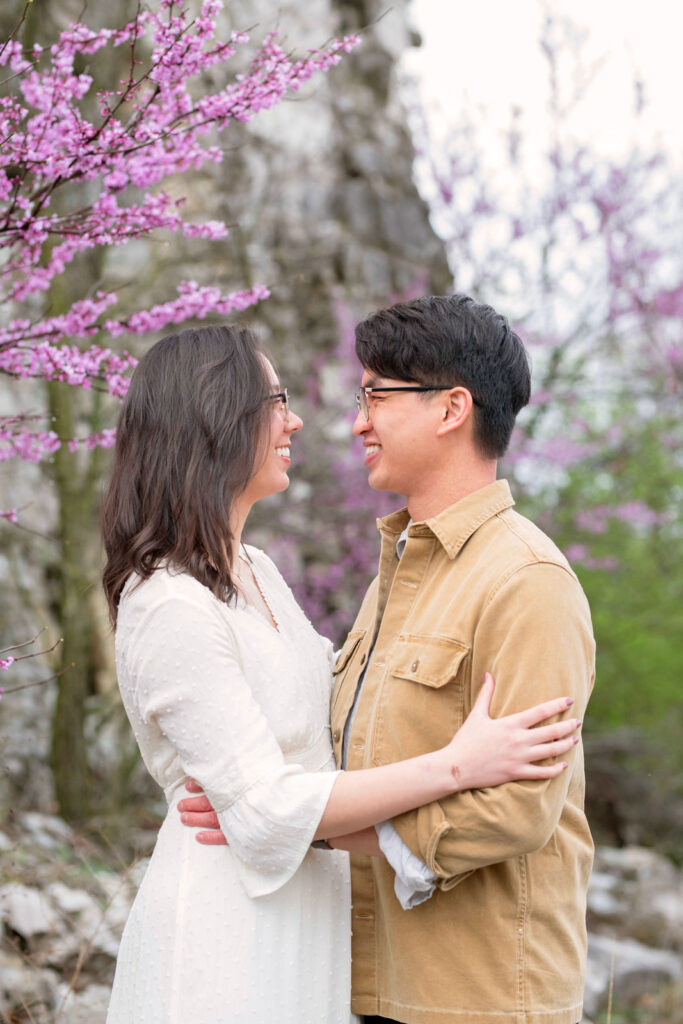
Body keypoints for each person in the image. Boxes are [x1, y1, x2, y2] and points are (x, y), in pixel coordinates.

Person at [102, 322, 582, 1024]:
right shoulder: (171, 601)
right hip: (230, 929)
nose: (305, 419)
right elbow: (263, 811)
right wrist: (452, 766)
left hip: (316, 929)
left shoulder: (256, 573)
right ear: (212, 416)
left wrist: (294, 817)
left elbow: (323, 752)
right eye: (273, 402)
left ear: (450, 411)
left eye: (375, 398)